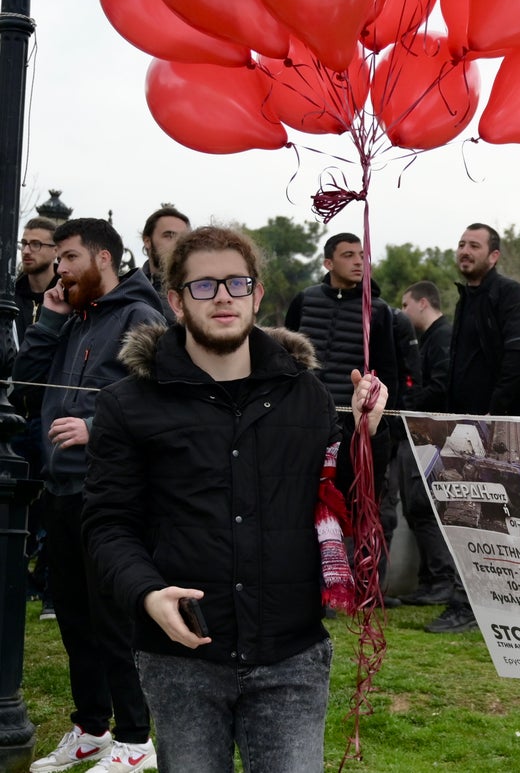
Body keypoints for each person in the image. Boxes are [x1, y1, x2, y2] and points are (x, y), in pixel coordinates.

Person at [81, 226, 388, 772]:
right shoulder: (129, 405)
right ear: (175, 300)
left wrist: (367, 437)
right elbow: (107, 524)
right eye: (204, 286)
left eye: (236, 283)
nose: (223, 296)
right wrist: (147, 593)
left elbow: (342, 504)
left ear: (257, 294)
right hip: (183, 656)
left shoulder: (307, 394)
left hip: (290, 653)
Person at [15, 218, 166, 773]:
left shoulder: (140, 315)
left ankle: (135, 739)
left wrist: (95, 426)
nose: (61, 270)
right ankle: (91, 728)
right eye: (57, 260)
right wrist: (50, 320)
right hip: (63, 489)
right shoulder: (72, 317)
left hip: (113, 494)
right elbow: (25, 389)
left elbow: (163, 399)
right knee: (76, 619)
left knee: (113, 620)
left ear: (104, 259)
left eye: (70, 258)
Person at [430, 223, 520, 633]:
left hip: (500, 428)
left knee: (492, 517)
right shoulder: (467, 298)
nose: (464, 251)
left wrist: (490, 416)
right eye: (461, 243)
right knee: (471, 514)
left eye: (474, 245)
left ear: (494, 255)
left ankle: (471, 605)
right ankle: (474, 600)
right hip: (470, 426)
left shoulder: (510, 295)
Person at [285, 232, 401, 599]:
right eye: (348, 254)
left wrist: (382, 428)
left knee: (358, 504)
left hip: (354, 425)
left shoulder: (379, 311)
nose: (358, 261)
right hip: (305, 419)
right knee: (303, 499)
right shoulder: (304, 301)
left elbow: (390, 374)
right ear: (328, 262)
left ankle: (362, 585)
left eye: (362, 255)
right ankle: (311, 581)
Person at [393, 281, 457, 606]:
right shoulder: (429, 338)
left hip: (432, 432)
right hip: (418, 430)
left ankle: (442, 581)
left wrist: (405, 402)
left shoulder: (443, 337)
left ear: (421, 303)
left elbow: (441, 385)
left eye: (405, 305)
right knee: (416, 508)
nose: (402, 312)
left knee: (424, 507)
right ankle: (430, 580)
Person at [14, 216, 58, 620]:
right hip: (14, 412)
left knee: (52, 501)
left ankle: (48, 584)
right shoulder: (11, 299)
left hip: (52, 412)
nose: (28, 250)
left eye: (37, 244)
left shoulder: (68, 299)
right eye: (24, 243)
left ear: (55, 251)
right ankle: (17, 578)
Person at [139, 205, 191, 322]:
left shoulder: (201, 289)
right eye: (169, 236)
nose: (178, 243)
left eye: (183, 237)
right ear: (147, 241)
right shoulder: (132, 291)